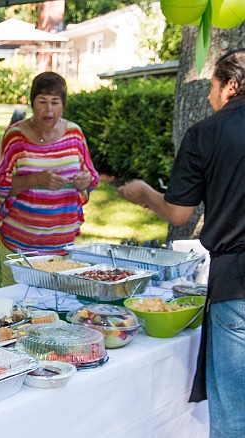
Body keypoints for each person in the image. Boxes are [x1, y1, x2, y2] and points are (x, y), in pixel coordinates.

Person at [117, 49, 245, 438]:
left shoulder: (206, 133)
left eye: (212, 87)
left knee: (234, 416)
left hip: (237, 286)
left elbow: (177, 214)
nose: (209, 96)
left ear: (230, 87)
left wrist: (143, 194)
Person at [0, 72, 99, 285]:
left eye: (55, 102)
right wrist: (35, 179)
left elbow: (91, 177)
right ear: (32, 104)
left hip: (62, 243)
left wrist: (84, 182)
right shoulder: (15, 136)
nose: (49, 109)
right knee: (17, 304)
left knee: (55, 304)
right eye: (42, 101)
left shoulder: (74, 134)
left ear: (63, 105)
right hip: (20, 240)